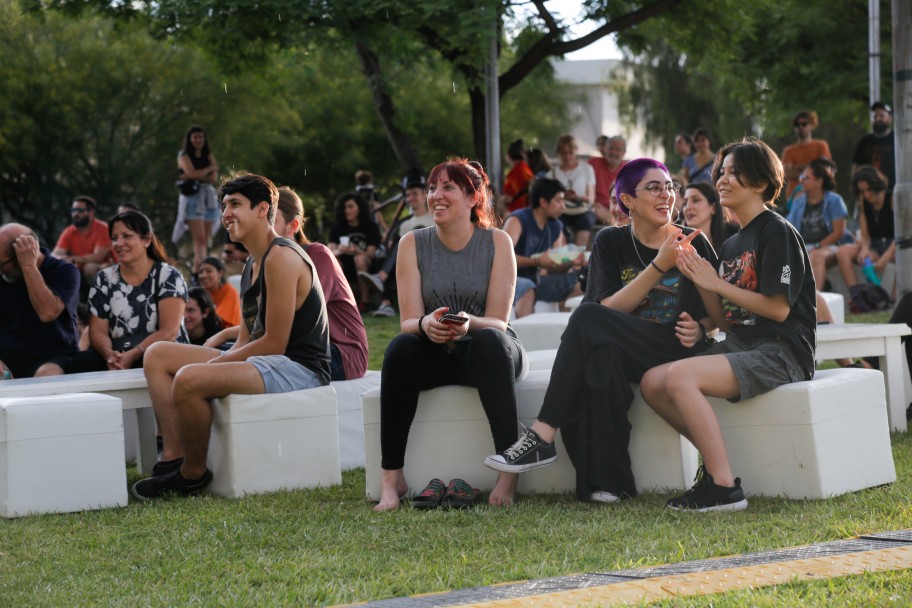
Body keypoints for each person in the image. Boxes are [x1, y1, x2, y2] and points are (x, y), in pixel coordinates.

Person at [485, 158, 716, 504]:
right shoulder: (610, 241)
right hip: (624, 349)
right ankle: (610, 483)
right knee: (601, 359)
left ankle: (543, 434)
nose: (666, 195)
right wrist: (658, 267)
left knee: (586, 318)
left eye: (669, 186)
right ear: (628, 201)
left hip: (671, 348)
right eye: (654, 187)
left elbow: (717, 312)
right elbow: (608, 309)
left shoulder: (691, 241)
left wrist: (700, 328)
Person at [639, 138, 816, 512]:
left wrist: (716, 282)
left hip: (781, 351)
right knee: (653, 382)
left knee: (680, 378)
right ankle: (719, 457)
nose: (723, 179)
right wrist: (699, 278)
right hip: (742, 345)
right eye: (722, 172)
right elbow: (725, 322)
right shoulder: (734, 243)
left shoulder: (776, 231)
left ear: (762, 184)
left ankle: (723, 487)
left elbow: (778, 310)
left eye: (736, 173)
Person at [131, 173, 331, 500]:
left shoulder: (281, 256)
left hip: (299, 369)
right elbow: (246, 338)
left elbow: (274, 344)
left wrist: (215, 366)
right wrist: (220, 359)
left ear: (262, 209)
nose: (226, 214)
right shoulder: (252, 262)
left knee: (189, 379)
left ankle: (192, 474)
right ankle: (172, 458)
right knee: (158, 355)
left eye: (235, 204)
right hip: (267, 362)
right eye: (224, 205)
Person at [375, 158, 527, 511]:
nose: (435, 196)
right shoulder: (412, 243)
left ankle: (509, 472)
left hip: (490, 353)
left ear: (473, 198)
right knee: (400, 348)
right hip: (438, 351)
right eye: (431, 188)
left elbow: (498, 323)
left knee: (490, 341)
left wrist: (467, 324)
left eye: (447, 188)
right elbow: (408, 321)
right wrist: (427, 324)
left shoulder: (497, 242)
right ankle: (391, 476)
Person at [206, 187, 368, 381]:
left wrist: (224, 334)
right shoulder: (257, 262)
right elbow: (259, 325)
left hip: (339, 352)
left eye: (271, 218)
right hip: (290, 344)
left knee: (224, 361)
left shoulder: (317, 256)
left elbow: (294, 322)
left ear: (293, 226)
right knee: (218, 353)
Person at [38, 211, 189, 375]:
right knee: (82, 361)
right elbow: (97, 332)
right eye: (115, 238)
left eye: (127, 236)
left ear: (147, 240)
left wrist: (133, 354)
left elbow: (169, 331)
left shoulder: (168, 275)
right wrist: (109, 355)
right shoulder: (104, 278)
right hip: (119, 353)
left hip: (161, 351)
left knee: (151, 358)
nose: (119, 243)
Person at [0, 224, 80, 379]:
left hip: (53, 357)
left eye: (2, 264)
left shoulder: (64, 271)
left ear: (21, 254)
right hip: (8, 358)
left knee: (46, 376)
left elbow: (47, 312)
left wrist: (29, 267)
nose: (0, 270)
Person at [506, 178, 583, 318]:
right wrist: (537, 262)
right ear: (543, 202)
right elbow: (502, 259)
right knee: (528, 287)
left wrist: (571, 261)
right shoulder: (517, 220)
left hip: (539, 282)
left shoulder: (555, 226)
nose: (563, 207)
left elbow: (553, 266)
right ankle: (523, 339)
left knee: (582, 281)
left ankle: (566, 335)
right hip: (511, 281)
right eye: (559, 201)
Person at [359, 174, 433, 318]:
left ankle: (381, 278)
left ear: (424, 196)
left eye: (414, 194)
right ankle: (386, 304)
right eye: (408, 195)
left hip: (428, 258)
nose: (410, 198)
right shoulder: (405, 224)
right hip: (407, 261)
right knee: (384, 255)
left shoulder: (434, 217)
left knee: (401, 240)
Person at [785, 158, 852, 290]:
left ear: (819, 182)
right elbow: (788, 228)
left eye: (806, 177)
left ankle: (814, 301)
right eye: (801, 176)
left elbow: (839, 233)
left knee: (816, 256)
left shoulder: (835, 201)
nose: (801, 180)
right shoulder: (799, 202)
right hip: (805, 247)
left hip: (830, 247)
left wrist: (817, 246)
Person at [836, 166, 895, 308]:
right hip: (875, 245)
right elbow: (865, 234)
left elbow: (901, 235)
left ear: (877, 186)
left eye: (869, 190)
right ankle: (858, 298)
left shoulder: (892, 198)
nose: (866, 195)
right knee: (842, 251)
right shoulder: (864, 203)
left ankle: (893, 301)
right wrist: (864, 248)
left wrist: (885, 258)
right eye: (862, 191)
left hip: (894, 247)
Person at [172, 126, 220, 276]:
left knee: (205, 240)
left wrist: (196, 175)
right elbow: (192, 173)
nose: (198, 140)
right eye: (195, 137)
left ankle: (198, 270)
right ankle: (201, 271)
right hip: (193, 198)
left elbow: (213, 177)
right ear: (189, 139)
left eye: (201, 137)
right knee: (199, 240)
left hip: (208, 197)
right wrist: (207, 169)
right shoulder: (183, 155)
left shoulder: (208, 155)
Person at [328, 192, 382, 313]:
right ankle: (339, 302)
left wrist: (356, 250)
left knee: (360, 258)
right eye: (344, 207)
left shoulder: (371, 227)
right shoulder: (337, 228)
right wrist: (340, 250)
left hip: (365, 266)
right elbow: (330, 251)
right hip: (343, 265)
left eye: (350, 206)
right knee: (335, 260)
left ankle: (365, 302)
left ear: (359, 207)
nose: (347, 210)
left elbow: (370, 253)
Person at [52, 195, 114, 288]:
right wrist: (61, 258)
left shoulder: (103, 229)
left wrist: (72, 259)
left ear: (91, 212)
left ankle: (101, 300)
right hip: (78, 269)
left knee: (90, 268)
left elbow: (97, 257)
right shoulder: (69, 231)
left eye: (80, 210)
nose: (76, 213)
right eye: (73, 210)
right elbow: (55, 254)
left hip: (105, 268)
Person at [549, 135, 596, 248]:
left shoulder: (587, 169)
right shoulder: (552, 173)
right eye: (563, 153)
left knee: (586, 221)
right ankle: (564, 258)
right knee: (556, 223)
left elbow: (591, 198)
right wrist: (563, 196)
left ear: (576, 150)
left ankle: (578, 256)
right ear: (558, 153)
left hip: (582, 209)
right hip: (562, 210)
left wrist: (577, 197)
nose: (567, 156)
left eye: (570, 152)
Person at [781, 110, 832, 200]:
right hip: (795, 198)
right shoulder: (788, 150)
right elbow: (787, 174)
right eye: (797, 124)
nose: (800, 127)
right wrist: (812, 171)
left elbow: (824, 169)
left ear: (813, 125)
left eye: (804, 124)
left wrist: (798, 167)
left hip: (818, 197)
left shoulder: (821, 145)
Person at [681, 183, 739, 250]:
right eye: (685, 203)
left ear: (714, 207)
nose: (688, 207)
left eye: (695, 200)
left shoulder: (734, 236)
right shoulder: (679, 244)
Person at [852, 102, 895, 189]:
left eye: (882, 116)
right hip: (869, 191)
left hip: (892, 190)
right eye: (875, 116)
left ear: (890, 118)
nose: (878, 119)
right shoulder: (865, 142)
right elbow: (856, 167)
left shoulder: (897, 140)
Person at [590, 135, 627, 226]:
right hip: (597, 208)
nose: (613, 152)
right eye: (611, 148)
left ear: (624, 152)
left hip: (619, 208)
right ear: (606, 149)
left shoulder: (628, 169)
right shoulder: (593, 163)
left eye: (618, 150)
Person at [197, 256, 241, 328]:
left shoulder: (230, 291)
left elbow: (218, 321)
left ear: (220, 274)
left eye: (209, 271)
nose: (203, 275)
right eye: (201, 272)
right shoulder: (201, 293)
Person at [501, 139, 534, 214]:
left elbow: (508, 198)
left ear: (509, 156)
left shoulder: (514, 173)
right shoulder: (527, 169)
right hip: (528, 210)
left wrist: (497, 200)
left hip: (517, 211)